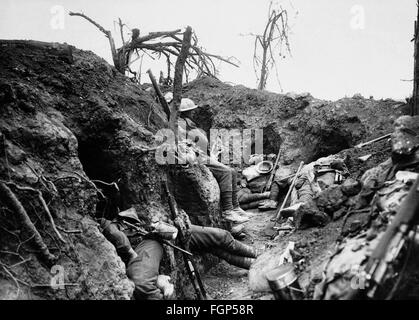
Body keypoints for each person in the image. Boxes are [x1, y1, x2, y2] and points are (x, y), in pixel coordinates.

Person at [100, 207, 259, 300]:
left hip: (168, 229)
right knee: (143, 283)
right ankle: (257, 264)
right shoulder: (113, 228)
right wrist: (130, 252)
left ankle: (259, 255)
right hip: (151, 241)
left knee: (220, 238)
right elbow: (141, 283)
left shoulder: (138, 211)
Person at [163, 93, 250, 234]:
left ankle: (235, 207)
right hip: (195, 156)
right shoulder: (178, 124)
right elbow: (182, 141)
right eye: (191, 110)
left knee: (232, 171)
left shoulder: (188, 123)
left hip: (202, 154)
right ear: (186, 111)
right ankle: (228, 210)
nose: (193, 112)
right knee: (226, 172)